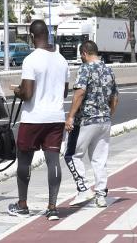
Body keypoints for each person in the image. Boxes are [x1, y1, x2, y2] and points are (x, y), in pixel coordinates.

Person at [9, 20, 69, 219]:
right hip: (56, 118)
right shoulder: (62, 60)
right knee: (53, 160)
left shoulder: (31, 59)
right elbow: (65, 92)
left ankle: (22, 204)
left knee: (24, 161)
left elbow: (27, 94)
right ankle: (52, 207)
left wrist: (16, 91)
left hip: (34, 118)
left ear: (32, 36)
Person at [64, 40, 119, 207]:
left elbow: (80, 93)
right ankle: (101, 194)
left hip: (86, 120)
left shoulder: (85, 68)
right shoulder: (109, 70)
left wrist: (71, 116)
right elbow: (115, 98)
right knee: (99, 159)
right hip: (104, 121)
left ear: (84, 54)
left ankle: (83, 189)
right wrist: (108, 114)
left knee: (72, 155)